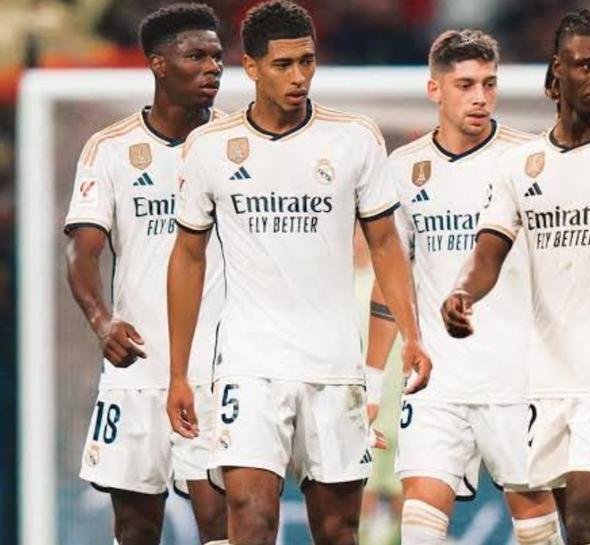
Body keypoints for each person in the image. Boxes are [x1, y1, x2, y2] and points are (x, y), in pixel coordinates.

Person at [166, 2, 432, 544]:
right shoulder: (209, 148)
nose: (298, 77)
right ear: (251, 66)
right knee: (251, 515)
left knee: (337, 530)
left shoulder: (353, 138)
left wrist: (412, 335)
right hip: (249, 363)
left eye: (307, 61)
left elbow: (385, 243)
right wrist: (178, 372)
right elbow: (188, 257)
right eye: (283, 64)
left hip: (333, 365)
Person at [442, 10, 590, 545]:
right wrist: (463, 294)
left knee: (587, 514)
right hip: (543, 376)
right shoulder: (519, 166)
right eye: (587, 65)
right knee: (571, 528)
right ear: (557, 69)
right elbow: (487, 254)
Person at [368, 29, 564, 545]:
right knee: (419, 517)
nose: (480, 97)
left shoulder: (529, 160)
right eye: (465, 85)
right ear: (435, 90)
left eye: (489, 84)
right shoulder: (402, 169)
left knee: (534, 519)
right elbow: (391, 280)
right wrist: (371, 383)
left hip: (517, 376)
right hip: (436, 381)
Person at [64, 4, 228, 545]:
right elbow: (82, 253)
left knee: (221, 518)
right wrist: (102, 321)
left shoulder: (235, 144)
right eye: (196, 56)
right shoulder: (110, 149)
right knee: (135, 527)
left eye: (217, 57)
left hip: (218, 365)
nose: (212, 67)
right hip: (137, 364)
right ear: (159, 63)